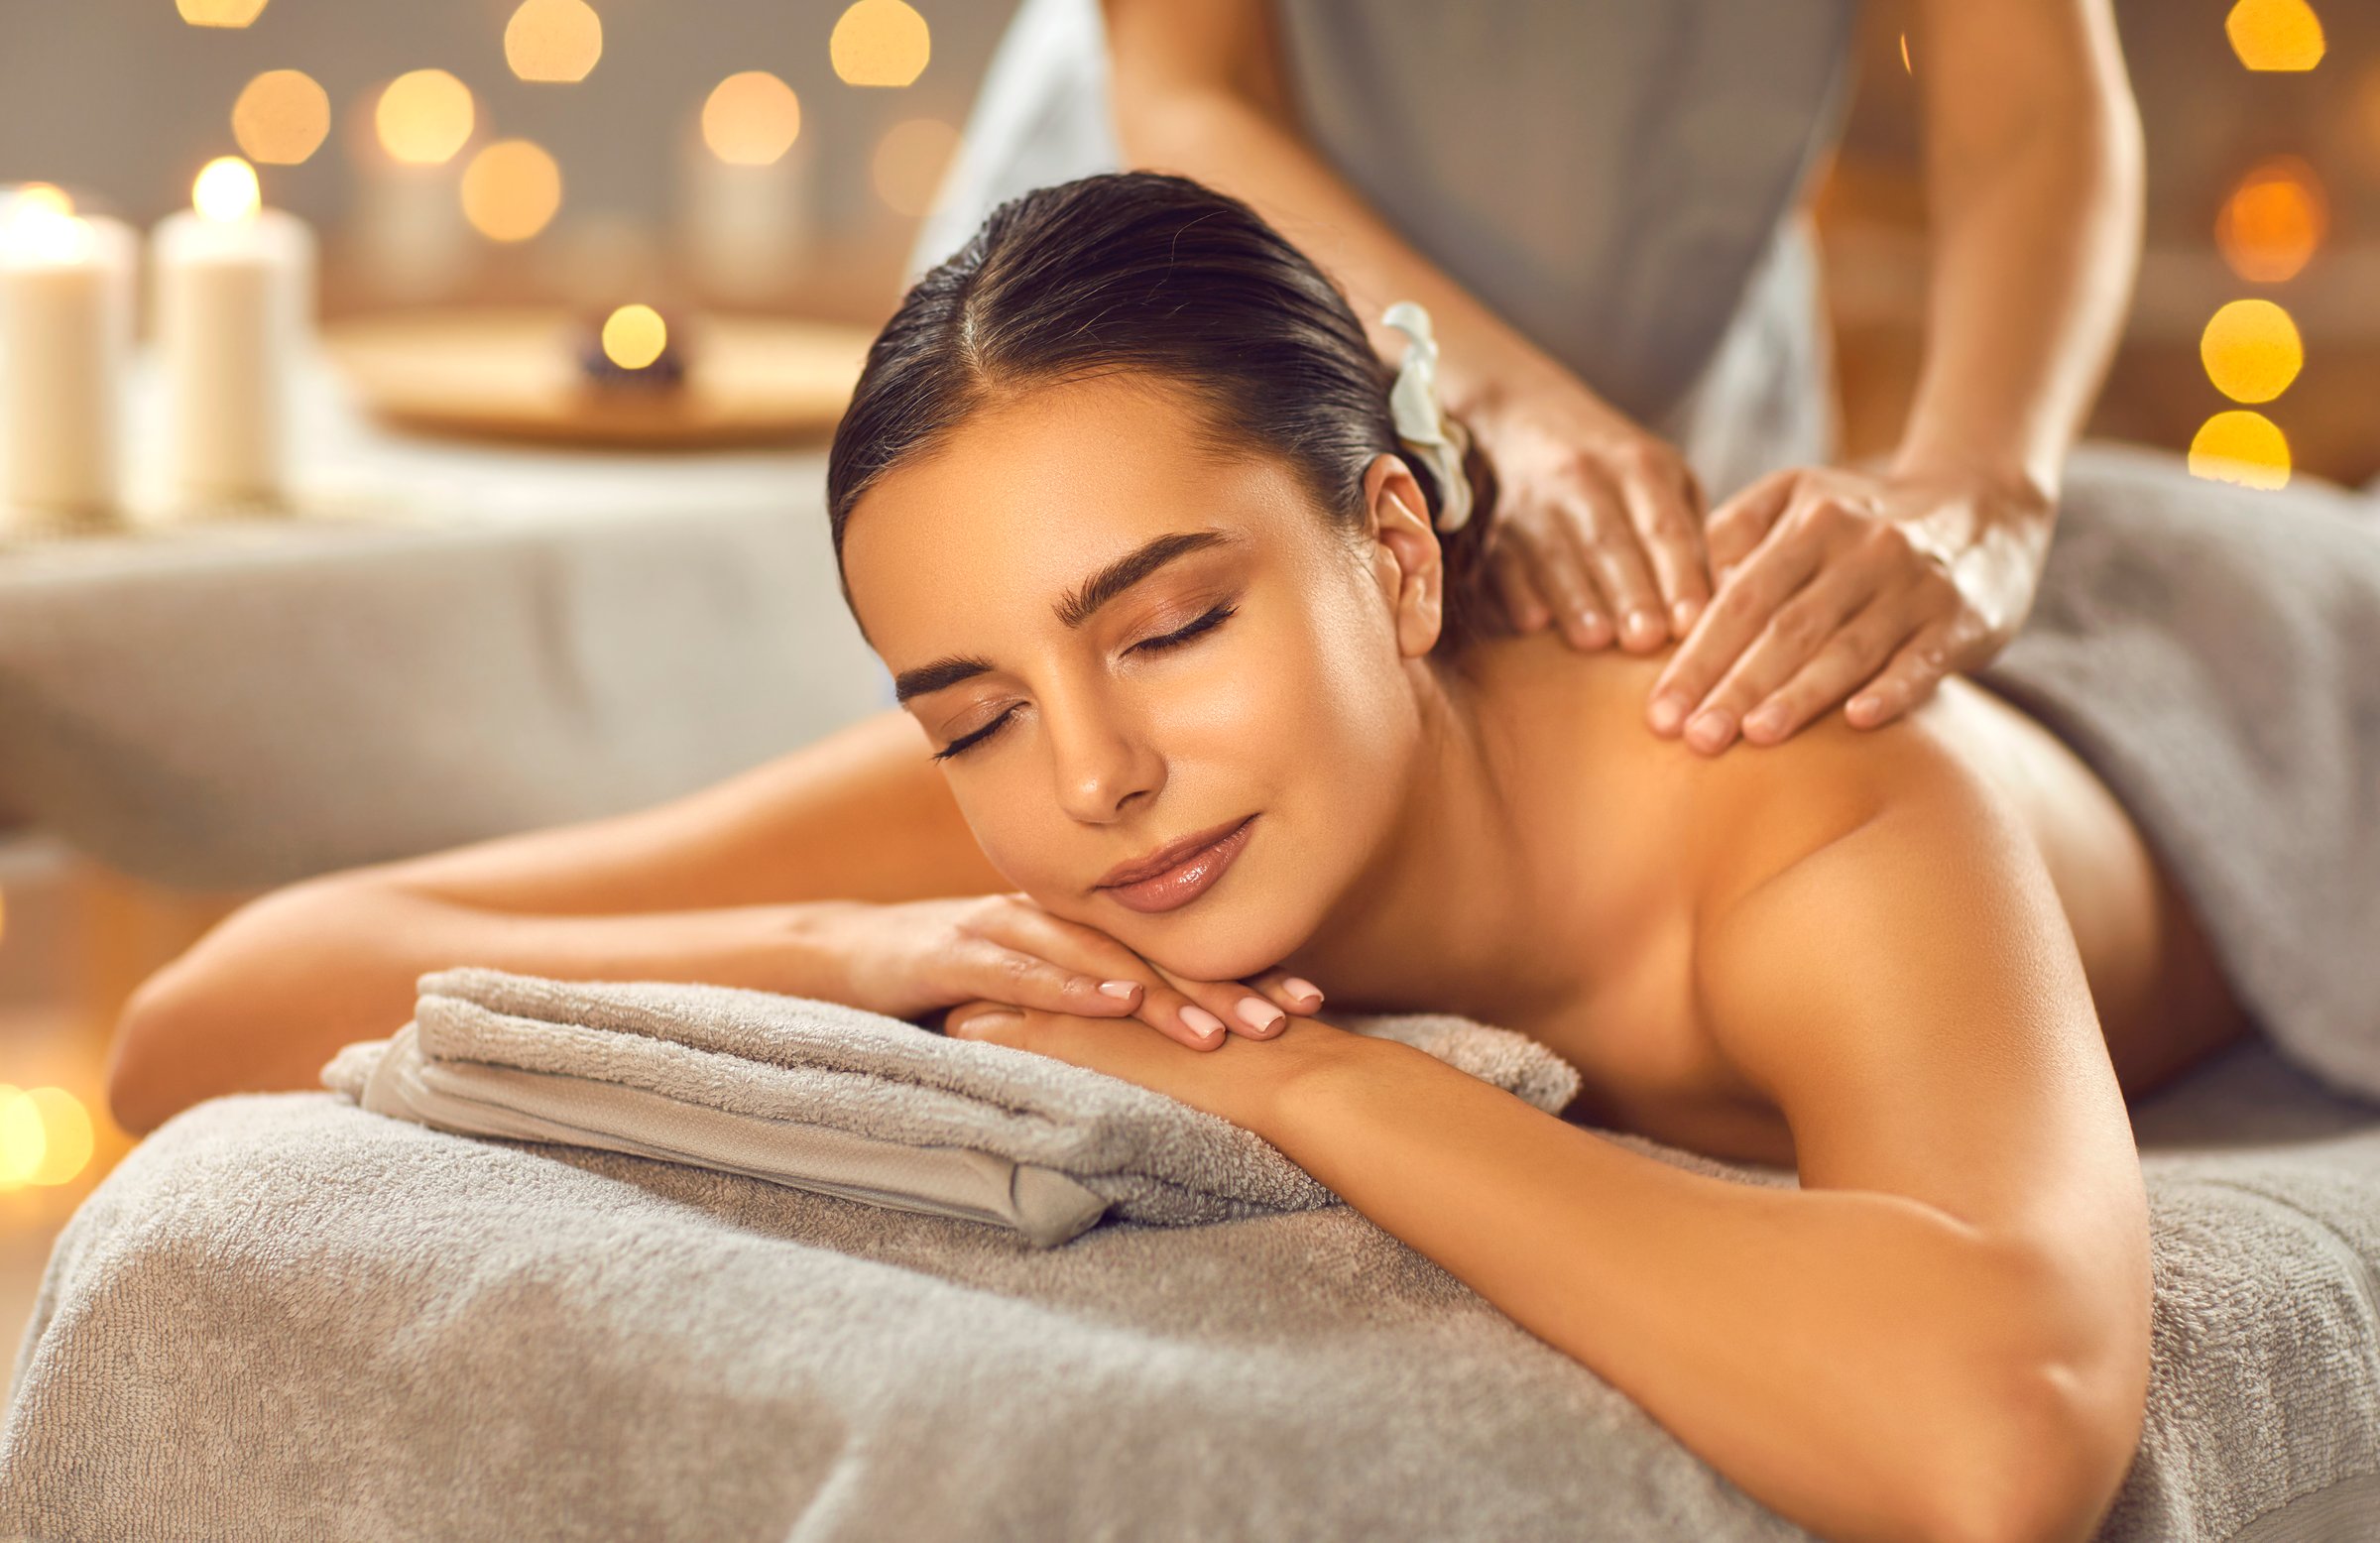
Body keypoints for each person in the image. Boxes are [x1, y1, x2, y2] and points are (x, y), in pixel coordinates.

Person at [109, 174, 2244, 1542]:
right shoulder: (1043, 807)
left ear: (1396, 552)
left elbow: (1997, 1431)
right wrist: (853, 950)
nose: (1095, 773)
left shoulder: (1797, 790)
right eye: (970, 708)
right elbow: (198, 1025)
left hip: (2240, 683)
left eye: (1175, 623)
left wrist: (1296, 1076)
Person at [921, 0, 2144, 757]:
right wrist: (1490, 397)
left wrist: (1984, 489)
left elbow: (2032, 102)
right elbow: (1196, 86)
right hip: (1182, 293)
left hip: (1668, 322)